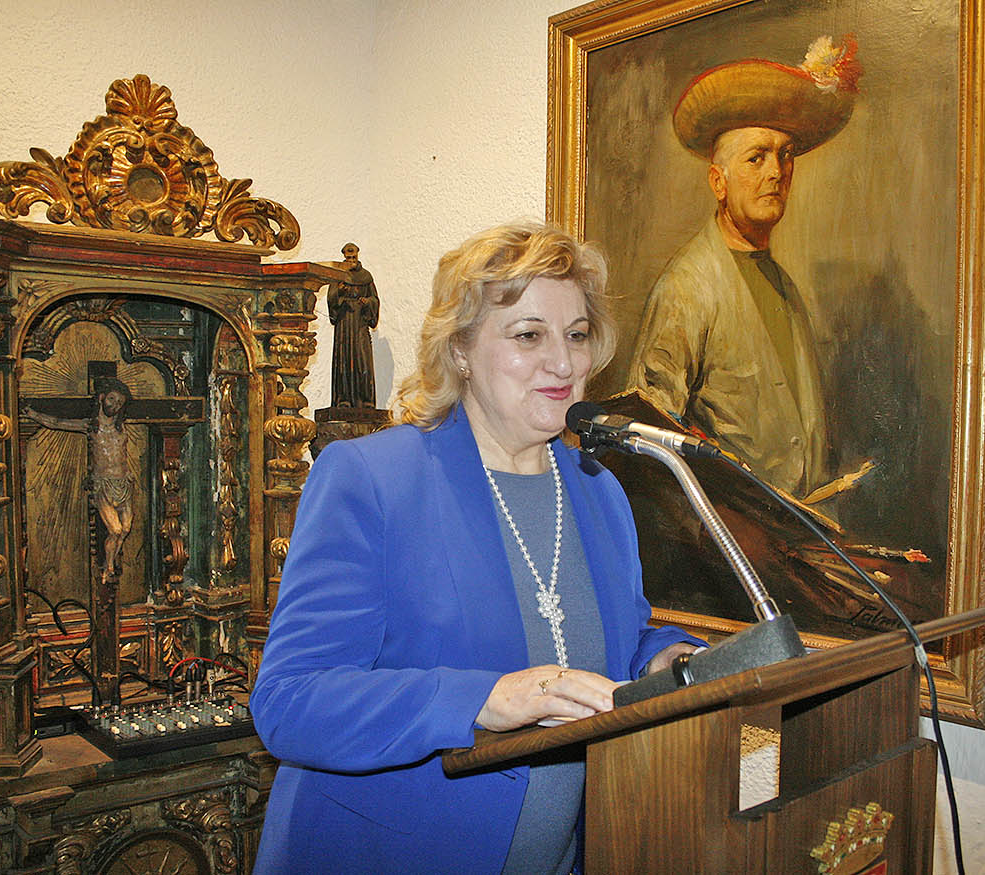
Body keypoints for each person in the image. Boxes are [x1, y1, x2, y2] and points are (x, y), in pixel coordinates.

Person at [251, 221, 703, 873]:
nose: (563, 363)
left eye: (577, 335)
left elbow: (608, 641)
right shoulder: (371, 479)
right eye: (529, 335)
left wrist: (666, 659)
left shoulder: (598, 489)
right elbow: (291, 703)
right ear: (460, 347)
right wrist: (483, 699)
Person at [626, 36, 861, 497]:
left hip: (799, 530)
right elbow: (648, 443)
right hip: (721, 532)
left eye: (785, 155)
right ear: (719, 182)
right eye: (757, 158)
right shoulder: (687, 287)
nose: (776, 172)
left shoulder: (783, 285)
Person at [23, 377, 134, 578]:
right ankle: (108, 567)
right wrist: (33, 414)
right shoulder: (90, 427)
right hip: (103, 484)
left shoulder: (121, 428)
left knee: (126, 529)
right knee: (116, 530)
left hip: (123, 483)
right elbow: (57, 423)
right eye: (111, 399)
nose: (115, 405)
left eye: (119, 402)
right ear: (101, 398)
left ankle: (111, 562)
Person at [328, 242, 380, 408]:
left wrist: (368, 302)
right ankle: (343, 399)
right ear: (344, 256)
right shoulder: (338, 275)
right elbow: (331, 299)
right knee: (344, 360)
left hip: (359, 323)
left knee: (362, 359)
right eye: (348, 257)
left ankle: (366, 400)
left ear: (357, 256)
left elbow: (375, 300)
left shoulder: (366, 277)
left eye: (353, 257)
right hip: (344, 324)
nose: (351, 260)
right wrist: (340, 292)